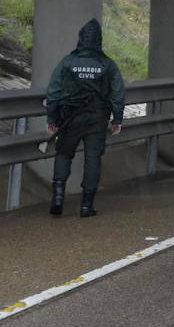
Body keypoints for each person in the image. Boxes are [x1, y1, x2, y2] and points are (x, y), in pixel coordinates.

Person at [44, 19, 125, 218]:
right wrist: (117, 119)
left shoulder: (68, 62)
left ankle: (58, 199)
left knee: (63, 154)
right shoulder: (108, 64)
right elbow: (117, 94)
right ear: (99, 41)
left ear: (80, 39)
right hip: (97, 118)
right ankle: (86, 206)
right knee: (93, 158)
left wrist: (52, 118)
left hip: (70, 117)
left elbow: (53, 92)